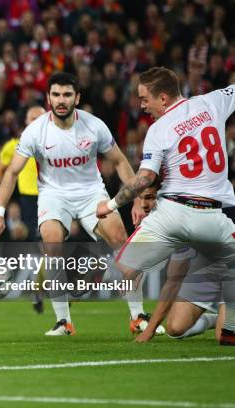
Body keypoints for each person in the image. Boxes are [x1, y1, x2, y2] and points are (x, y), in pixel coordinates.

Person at [0, 72, 153, 336]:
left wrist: (138, 198)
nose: (60, 100)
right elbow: (11, 172)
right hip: (53, 195)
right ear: (48, 97)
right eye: (55, 94)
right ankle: (63, 321)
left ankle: (138, 317)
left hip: (90, 193)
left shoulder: (94, 126)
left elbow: (120, 161)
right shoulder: (36, 131)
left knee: (120, 238)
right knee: (52, 244)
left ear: (77, 97)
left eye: (66, 94)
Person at [96, 67, 235, 345]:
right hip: (205, 216)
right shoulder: (213, 101)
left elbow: (145, 177)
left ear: (162, 97)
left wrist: (110, 205)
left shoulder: (159, 129)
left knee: (119, 273)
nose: (142, 105)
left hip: (185, 212)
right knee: (179, 327)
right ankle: (221, 311)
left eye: (144, 99)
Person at [135, 182, 225, 342]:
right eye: (141, 199)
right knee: (175, 329)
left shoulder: (183, 216)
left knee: (225, 337)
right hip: (207, 266)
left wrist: (149, 331)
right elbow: (173, 279)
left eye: (149, 198)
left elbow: (174, 279)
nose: (144, 205)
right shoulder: (171, 223)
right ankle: (217, 318)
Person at [0, 105, 45, 241]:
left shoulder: (58, 143)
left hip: (53, 195)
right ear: (26, 121)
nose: (36, 122)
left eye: (40, 119)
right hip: (27, 198)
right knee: (30, 236)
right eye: (33, 118)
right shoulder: (13, 146)